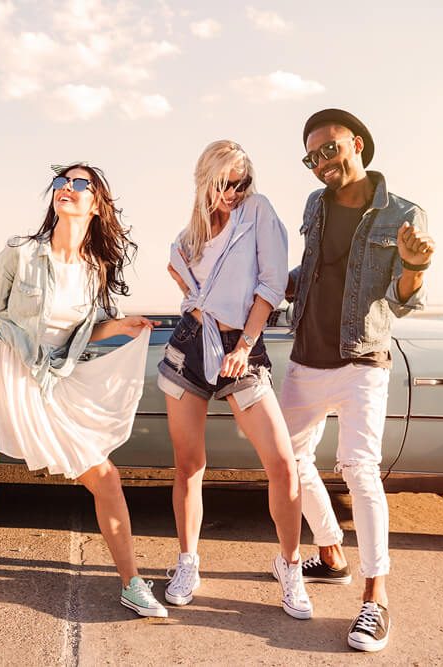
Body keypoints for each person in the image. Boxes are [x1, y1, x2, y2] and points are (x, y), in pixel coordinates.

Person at [0, 164, 167, 619]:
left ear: (97, 205)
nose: (66, 190)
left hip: (49, 381)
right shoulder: (21, 253)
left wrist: (119, 326)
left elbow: (80, 332)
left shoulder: (96, 267)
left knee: (106, 478)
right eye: (61, 182)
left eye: (80, 185)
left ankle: (132, 583)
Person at [281, 109, 435, 651]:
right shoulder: (313, 205)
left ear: (358, 144)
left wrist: (413, 267)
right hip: (304, 357)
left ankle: (376, 599)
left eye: (330, 149)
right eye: (312, 156)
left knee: (358, 470)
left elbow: (401, 299)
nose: (322, 163)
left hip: (361, 359)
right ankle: (330, 550)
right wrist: (265, 284)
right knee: (289, 461)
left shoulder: (403, 213)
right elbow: (313, 267)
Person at [160, 141, 310, 619]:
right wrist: (194, 298)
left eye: (241, 182)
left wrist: (244, 346)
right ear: (205, 178)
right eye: (224, 182)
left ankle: (290, 566)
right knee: (189, 465)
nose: (233, 192)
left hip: (241, 348)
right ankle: (188, 562)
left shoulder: (258, 212)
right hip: (190, 346)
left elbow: (270, 285)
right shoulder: (190, 234)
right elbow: (183, 279)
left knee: (282, 463)